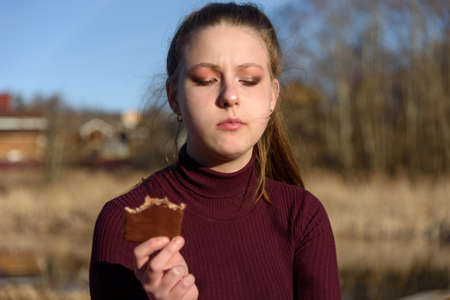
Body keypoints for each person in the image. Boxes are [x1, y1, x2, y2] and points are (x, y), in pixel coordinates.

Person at [89, 2, 341, 299]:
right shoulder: (125, 221)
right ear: (174, 97)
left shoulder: (302, 217)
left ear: (272, 96)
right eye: (206, 80)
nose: (230, 96)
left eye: (248, 80)